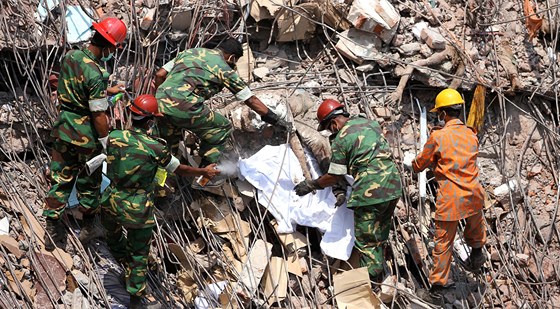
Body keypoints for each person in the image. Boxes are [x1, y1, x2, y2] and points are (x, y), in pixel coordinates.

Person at [100, 95, 220, 308]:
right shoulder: (156, 148)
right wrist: (203, 170)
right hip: (137, 208)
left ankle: (124, 266)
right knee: (139, 254)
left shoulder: (114, 136)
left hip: (111, 200)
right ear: (150, 122)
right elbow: (180, 170)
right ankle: (136, 301)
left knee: (114, 236)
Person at [154, 37, 291, 185]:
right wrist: (275, 119)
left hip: (159, 105)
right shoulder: (224, 69)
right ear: (231, 57)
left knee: (168, 146)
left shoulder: (189, 52)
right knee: (222, 127)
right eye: (234, 62)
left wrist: (159, 102)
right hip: (186, 106)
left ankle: (160, 183)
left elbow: (160, 74)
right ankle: (206, 177)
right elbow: (250, 100)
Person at [43, 17, 127, 251]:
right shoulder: (97, 72)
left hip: (63, 127)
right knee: (90, 182)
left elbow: (78, 86)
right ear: (110, 46)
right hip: (85, 136)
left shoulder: (71, 56)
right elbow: (98, 113)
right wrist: (104, 140)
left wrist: (107, 90)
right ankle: (89, 227)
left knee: (61, 178)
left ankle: (51, 225)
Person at [294, 99, 402, 280]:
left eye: (329, 127)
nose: (331, 131)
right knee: (380, 236)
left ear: (334, 124)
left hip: (370, 193)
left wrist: (311, 185)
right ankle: (381, 273)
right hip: (393, 187)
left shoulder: (341, 138)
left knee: (366, 243)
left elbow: (334, 176)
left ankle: (369, 285)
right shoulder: (369, 123)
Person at [404, 88, 487, 305]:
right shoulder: (471, 134)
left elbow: (419, 165)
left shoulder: (438, 136)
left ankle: (436, 290)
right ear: (459, 109)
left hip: (451, 198)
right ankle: (477, 254)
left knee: (443, 244)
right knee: (475, 226)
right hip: (474, 193)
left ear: (442, 113)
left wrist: (411, 163)